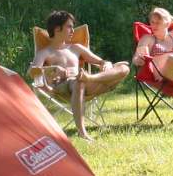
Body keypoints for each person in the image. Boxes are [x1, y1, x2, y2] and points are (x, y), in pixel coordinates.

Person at [30, 10, 129, 139]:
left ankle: (90, 77)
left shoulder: (75, 48)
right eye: (69, 27)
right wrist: (51, 71)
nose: (73, 31)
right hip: (63, 87)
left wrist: (106, 64)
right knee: (78, 82)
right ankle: (82, 132)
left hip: (87, 82)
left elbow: (100, 61)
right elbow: (32, 72)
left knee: (124, 68)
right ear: (57, 28)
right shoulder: (45, 52)